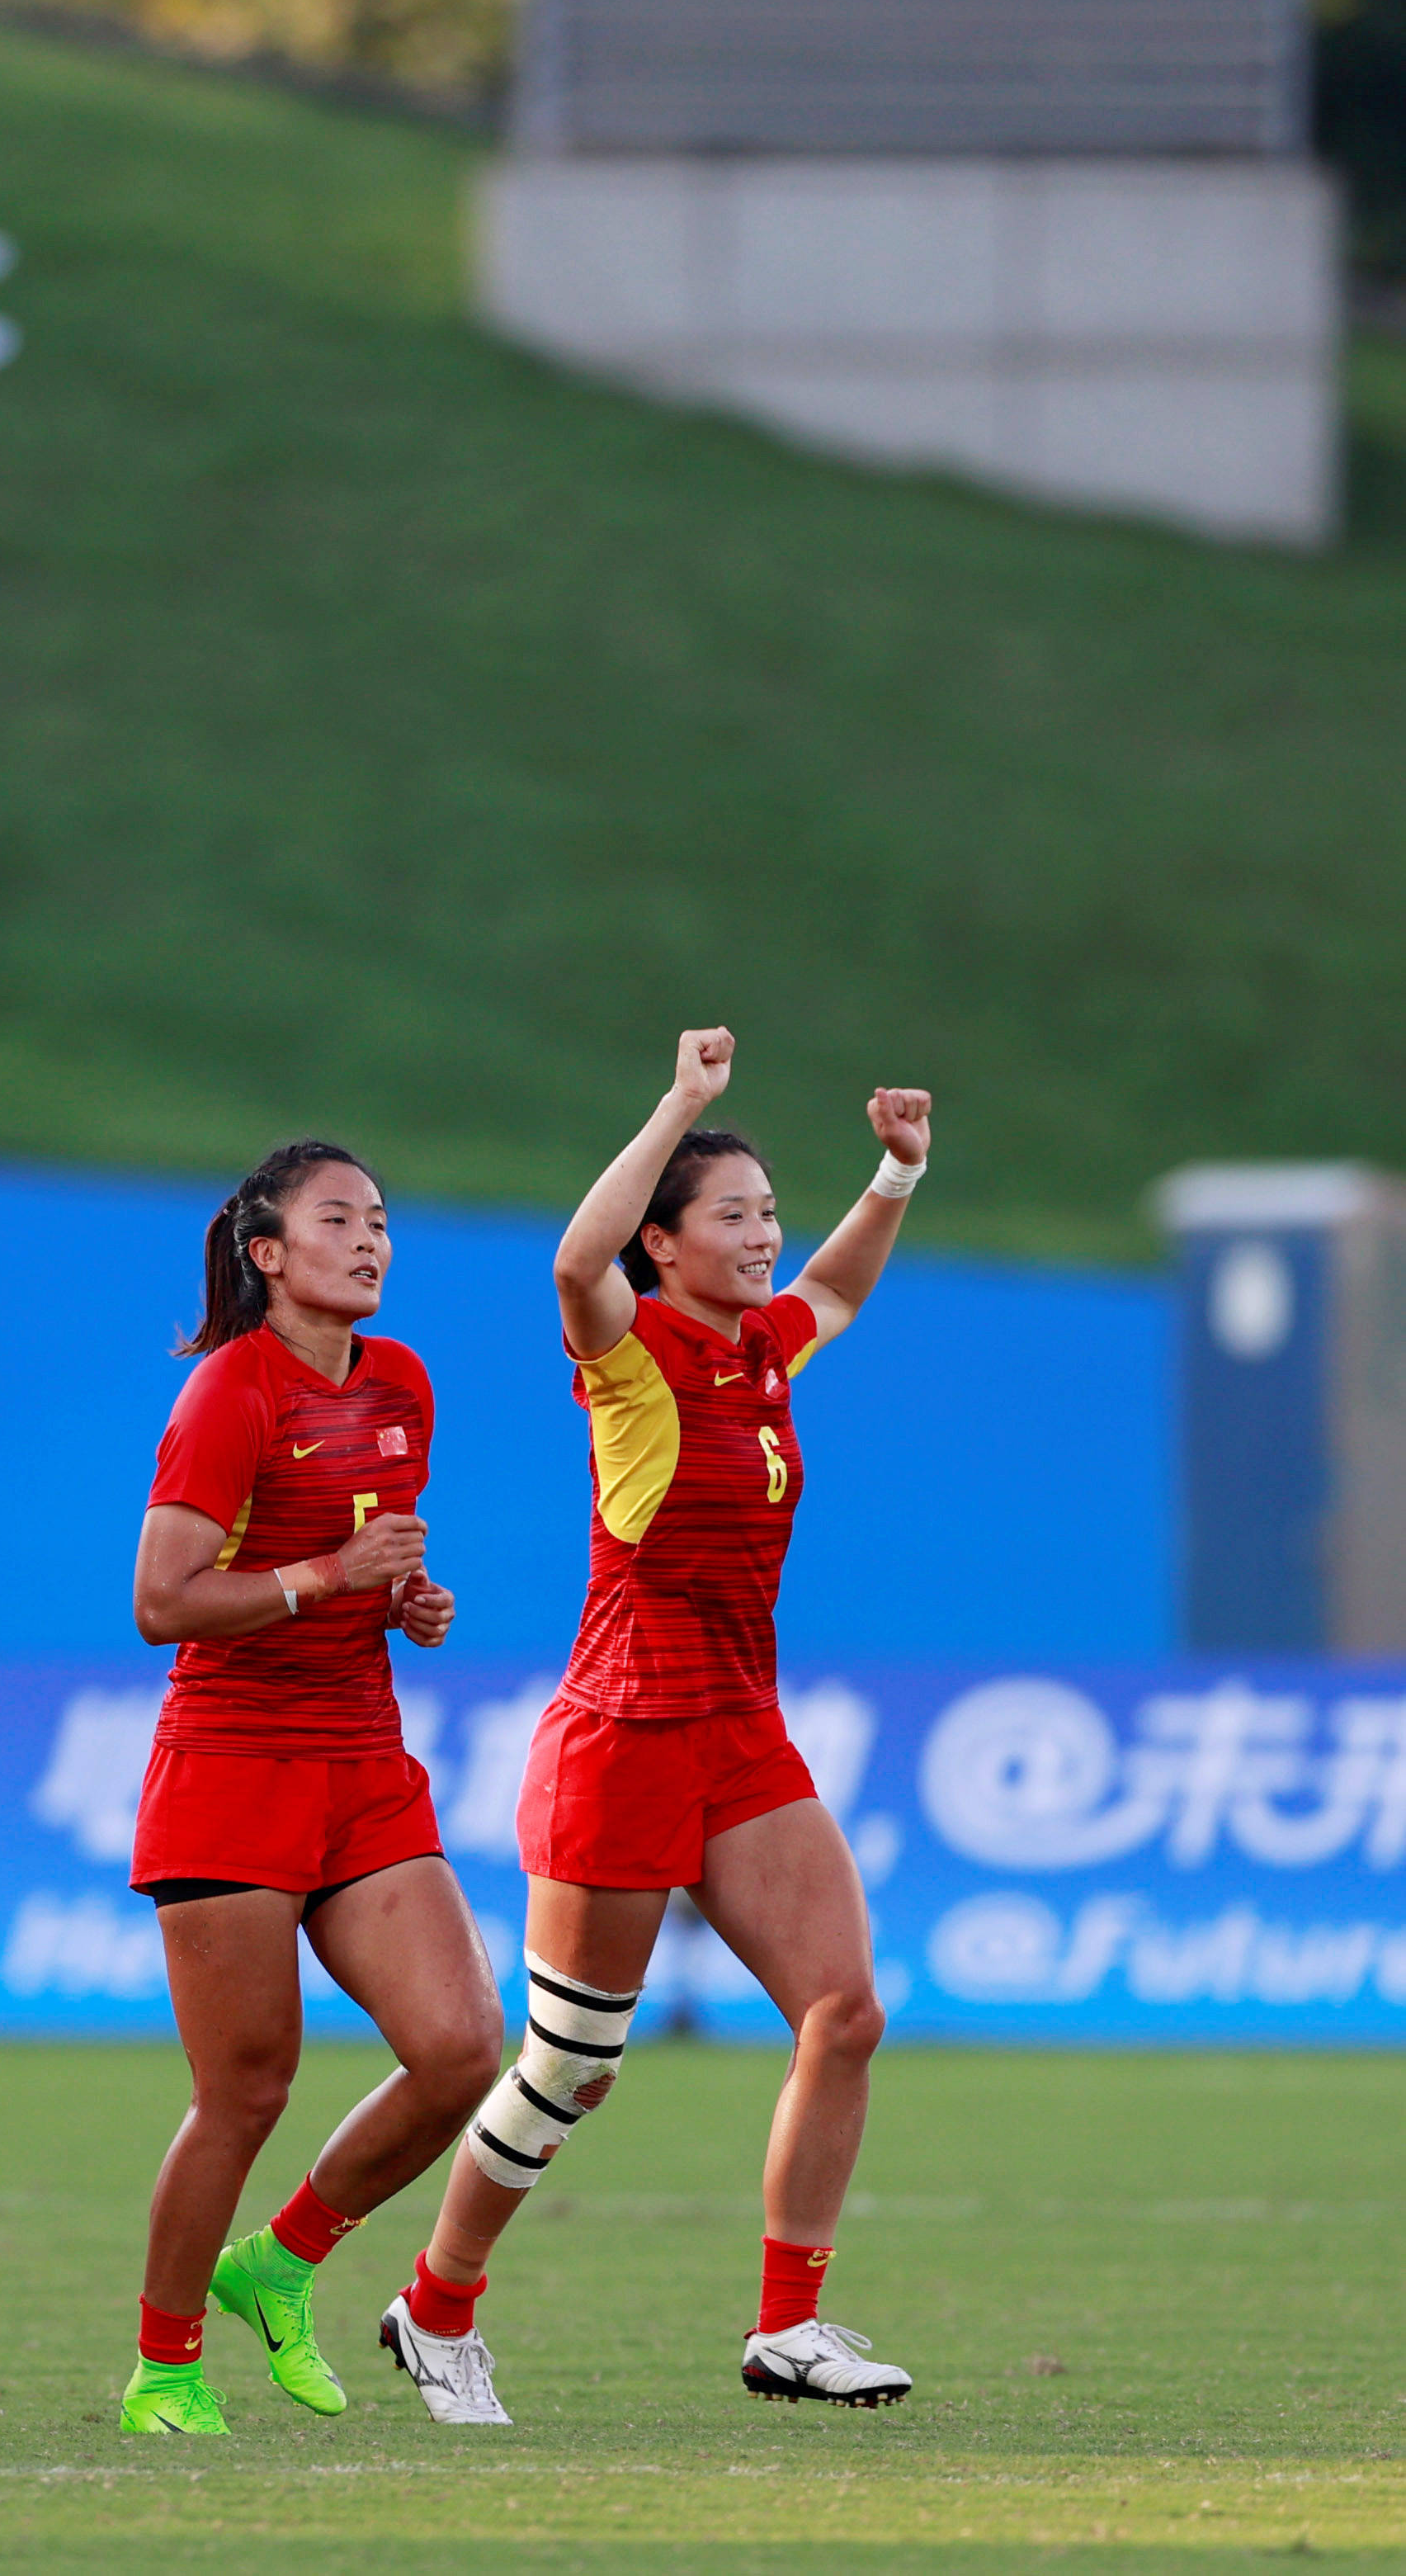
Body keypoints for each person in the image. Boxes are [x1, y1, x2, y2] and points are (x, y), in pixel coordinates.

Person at [386, 1030, 933, 2424]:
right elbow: (574, 1267)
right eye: (732, 1216)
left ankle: (788, 2326)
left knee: (845, 2010)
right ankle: (435, 2307)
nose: (764, 1236)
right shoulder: (629, 1357)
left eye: (766, 1209)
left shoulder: (762, 1346)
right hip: (619, 1737)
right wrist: (680, 1101)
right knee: (570, 2068)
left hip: (739, 1731)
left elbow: (831, 1289)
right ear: (665, 1245)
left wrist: (891, 1175)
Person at [117, 1141, 495, 2439]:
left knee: (459, 2051)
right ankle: (163, 2368)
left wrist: (404, 1599)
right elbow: (160, 1599)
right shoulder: (230, 1393)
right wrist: (331, 1576)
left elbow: (362, 1565)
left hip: (361, 1763)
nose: (371, 1239)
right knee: (246, 2091)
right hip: (227, 1769)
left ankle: (278, 2259)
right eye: (339, 1219)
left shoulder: (399, 1381)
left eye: (381, 1219)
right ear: (268, 1255)